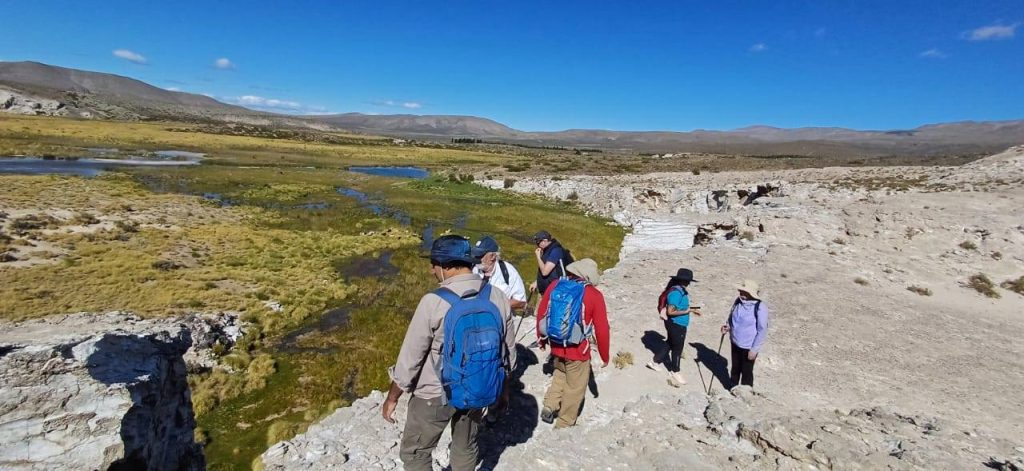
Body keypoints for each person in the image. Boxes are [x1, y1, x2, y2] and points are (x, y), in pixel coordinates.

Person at [382, 235, 517, 471]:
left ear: (445, 266)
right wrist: (503, 390)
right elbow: (507, 353)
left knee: (415, 453)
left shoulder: (433, 301)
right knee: (466, 446)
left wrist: (392, 397)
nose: (431, 270)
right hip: (480, 386)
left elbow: (411, 357)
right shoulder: (497, 296)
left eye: (433, 265)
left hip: (435, 393)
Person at [536, 258, 609, 428]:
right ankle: (564, 423)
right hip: (578, 349)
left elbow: (542, 313)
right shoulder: (594, 295)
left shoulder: (555, 285)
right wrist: (605, 355)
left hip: (556, 342)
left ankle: (550, 405)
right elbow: (602, 329)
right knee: (575, 387)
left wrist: (541, 339)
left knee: (560, 373)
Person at [646, 268, 701, 386]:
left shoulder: (679, 290)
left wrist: (691, 310)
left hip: (675, 323)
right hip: (676, 324)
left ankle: (654, 362)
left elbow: (678, 307)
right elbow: (671, 311)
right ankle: (675, 371)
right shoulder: (677, 293)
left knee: (670, 343)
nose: (688, 283)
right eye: (688, 281)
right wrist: (687, 311)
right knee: (677, 348)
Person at [720, 280, 769, 388]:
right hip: (735, 342)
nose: (740, 293)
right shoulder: (738, 301)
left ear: (751, 293)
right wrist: (727, 326)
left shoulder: (760, 307)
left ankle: (745, 394)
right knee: (735, 369)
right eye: (740, 291)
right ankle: (732, 389)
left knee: (747, 372)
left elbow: (762, 330)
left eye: (744, 291)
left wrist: (754, 349)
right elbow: (732, 316)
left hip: (748, 346)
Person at [472, 235, 528, 310]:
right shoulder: (471, 269)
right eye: (475, 254)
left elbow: (521, 301)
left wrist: (496, 305)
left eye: (480, 255)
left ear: (493, 256)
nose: (476, 258)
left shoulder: (508, 271)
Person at [529, 230, 573, 296]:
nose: (537, 245)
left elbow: (545, 272)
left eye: (538, 242)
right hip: (547, 291)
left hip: (555, 292)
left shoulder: (555, 251)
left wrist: (538, 257)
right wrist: (537, 282)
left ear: (545, 241)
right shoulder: (547, 250)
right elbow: (549, 270)